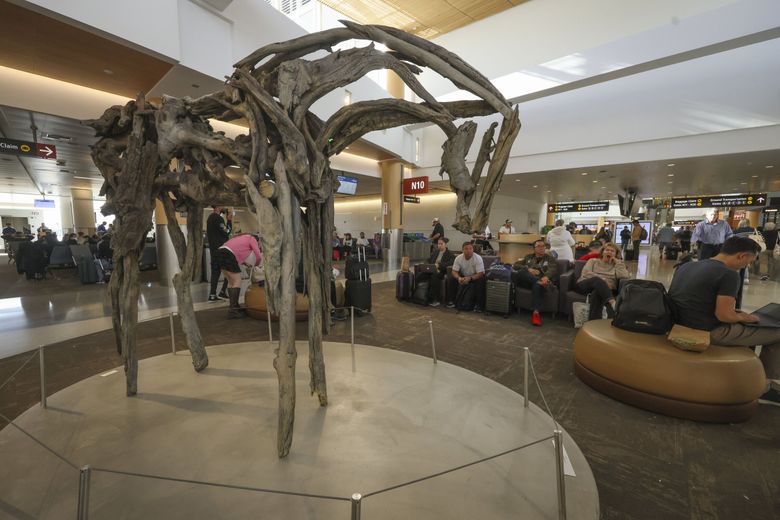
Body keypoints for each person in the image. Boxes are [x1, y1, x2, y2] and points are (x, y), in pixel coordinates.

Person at [669, 236, 779, 405]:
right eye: (749, 261)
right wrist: (744, 316)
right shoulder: (729, 275)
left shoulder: (688, 266)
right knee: (776, 332)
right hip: (708, 332)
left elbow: (695, 299)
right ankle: (765, 386)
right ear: (742, 256)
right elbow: (724, 316)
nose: (747, 266)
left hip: (679, 325)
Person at [576, 242, 630, 321]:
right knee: (597, 280)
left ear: (616, 254)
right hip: (586, 284)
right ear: (602, 252)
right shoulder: (593, 261)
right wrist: (603, 280)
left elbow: (624, 276)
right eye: (607, 250)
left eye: (612, 251)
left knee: (597, 293)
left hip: (604, 289)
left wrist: (618, 262)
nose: (609, 252)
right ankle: (613, 303)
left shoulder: (617, 265)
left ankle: (593, 322)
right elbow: (586, 273)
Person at [214, 234, 262, 319]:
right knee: (237, 281)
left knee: (231, 282)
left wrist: (245, 263)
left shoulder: (241, 238)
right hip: (227, 254)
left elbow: (237, 252)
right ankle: (233, 310)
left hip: (219, 253)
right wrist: (257, 265)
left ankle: (234, 306)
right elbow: (258, 255)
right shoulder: (252, 239)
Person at [513, 239, 560, 326]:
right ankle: (540, 282)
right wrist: (528, 269)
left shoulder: (550, 258)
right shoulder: (528, 257)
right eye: (539, 246)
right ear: (534, 248)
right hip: (530, 281)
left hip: (541, 280)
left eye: (543, 246)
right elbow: (516, 265)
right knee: (521, 272)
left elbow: (552, 269)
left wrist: (546, 277)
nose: (542, 248)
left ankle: (536, 313)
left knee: (537, 285)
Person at [448, 242, 485, 312]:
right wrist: (458, 278)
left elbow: (480, 273)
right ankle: (451, 301)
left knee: (481, 281)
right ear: (462, 250)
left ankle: (478, 305)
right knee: (451, 279)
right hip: (463, 276)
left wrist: (470, 278)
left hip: (475, 277)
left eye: (470, 248)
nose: (469, 250)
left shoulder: (478, 258)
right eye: (466, 249)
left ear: (473, 249)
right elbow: (454, 271)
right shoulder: (458, 258)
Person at [207, 206, 231, 302]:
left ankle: (212, 295)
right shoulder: (218, 218)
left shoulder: (210, 218)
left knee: (215, 272)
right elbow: (227, 232)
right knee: (230, 270)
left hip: (214, 250)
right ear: (218, 206)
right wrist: (229, 220)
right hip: (221, 250)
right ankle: (222, 291)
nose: (224, 207)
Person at [426, 238, 455, 307]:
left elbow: (450, 263)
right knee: (422, 274)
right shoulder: (435, 252)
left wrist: (439, 265)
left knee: (435, 276)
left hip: (442, 271)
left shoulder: (450, 254)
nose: (439, 245)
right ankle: (419, 295)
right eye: (438, 244)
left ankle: (435, 299)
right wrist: (427, 265)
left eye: (441, 244)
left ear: (445, 244)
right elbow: (428, 260)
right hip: (432, 269)